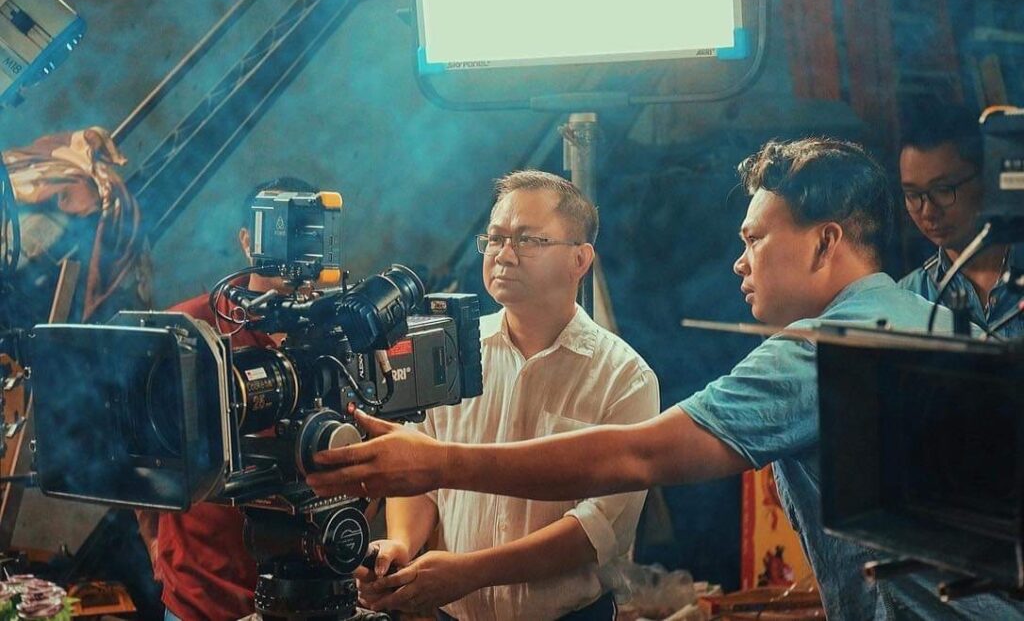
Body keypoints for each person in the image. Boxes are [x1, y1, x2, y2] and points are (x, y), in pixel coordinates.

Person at [307, 139, 1022, 620]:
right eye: (496, 237)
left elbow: (639, 456)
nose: (739, 261)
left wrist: (436, 461)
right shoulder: (927, 318)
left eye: (755, 238)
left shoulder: (824, 349)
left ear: (826, 241)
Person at [356, 170, 659, 620]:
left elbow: (596, 531)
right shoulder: (447, 352)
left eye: (528, 240)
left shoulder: (624, 378)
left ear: (580, 259)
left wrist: (472, 572)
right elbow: (418, 475)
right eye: (496, 238)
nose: (504, 255)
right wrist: (400, 544)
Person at [144, 176, 317, 621]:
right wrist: (156, 544)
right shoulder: (188, 327)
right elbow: (141, 450)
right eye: (276, 232)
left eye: (304, 234)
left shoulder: (337, 329)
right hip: (201, 596)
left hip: (309, 594)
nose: (289, 251)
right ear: (246, 240)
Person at [898, 104, 1023, 337]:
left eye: (943, 190)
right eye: (913, 195)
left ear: (986, 180)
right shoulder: (907, 297)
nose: (927, 212)